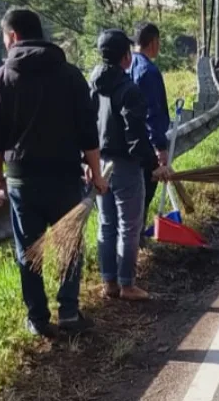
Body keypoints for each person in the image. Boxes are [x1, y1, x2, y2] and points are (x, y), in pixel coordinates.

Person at [0, 9, 106, 339]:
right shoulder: (69, 74)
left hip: (22, 179)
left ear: (13, 37)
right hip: (65, 177)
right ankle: (68, 311)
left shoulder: (1, 78)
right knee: (68, 245)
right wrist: (96, 174)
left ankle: (38, 318)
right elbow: (87, 131)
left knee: (29, 251)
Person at [91, 30, 164, 301]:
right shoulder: (129, 90)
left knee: (106, 223)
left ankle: (108, 283)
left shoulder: (93, 84)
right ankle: (127, 284)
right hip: (125, 165)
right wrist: (153, 164)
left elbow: (87, 126)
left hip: (100, 161)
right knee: (129, 225)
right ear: (126, 57)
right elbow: (136, 136)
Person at [130, 23, 170, 219]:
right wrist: (160, 148)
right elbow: (152, 113)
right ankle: (137, 241)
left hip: (125, 144)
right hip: (146, 145)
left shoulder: (125, 65)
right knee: (144, 194)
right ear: (153, 42)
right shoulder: (149, 71)